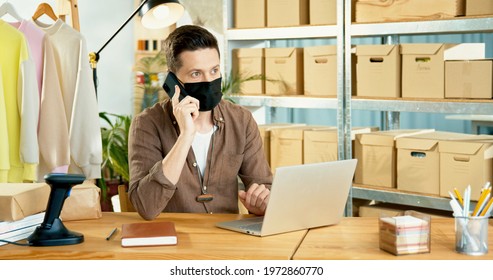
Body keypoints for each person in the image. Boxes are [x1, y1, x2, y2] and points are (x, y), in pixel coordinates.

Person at [128, 25, 273, 220]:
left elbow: (265, 189)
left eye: (214, 71)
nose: (209, 81)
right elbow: (147, 207)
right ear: (173, 80)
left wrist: (261, 203)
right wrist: (185, 136)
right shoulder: (146, 124)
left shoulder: (241, 120)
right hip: (172, 240)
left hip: (226, 238)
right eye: (196, 74)